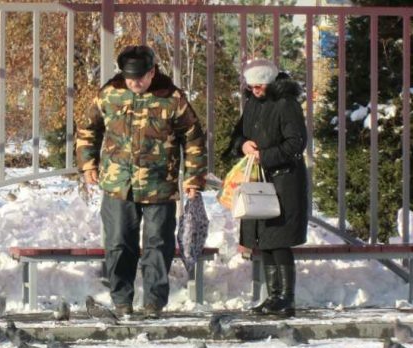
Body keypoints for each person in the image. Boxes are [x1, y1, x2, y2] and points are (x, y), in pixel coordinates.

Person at [76, 45, 207, 319]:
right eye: (130, 78)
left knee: (158, 244)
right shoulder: (109, 94)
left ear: (152, 72)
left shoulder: (172, 98)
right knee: (118, 242)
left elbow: (193, 138)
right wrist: (88, 163)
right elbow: (88, 129)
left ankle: (154, 303)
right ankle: (121, 300)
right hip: (118, 184)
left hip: (160, 185)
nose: (135, 83)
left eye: (140, 77)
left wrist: (193, 178)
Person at [226, 59, 308, 318]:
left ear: (270, 83)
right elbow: (237, 134)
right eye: (251, 86)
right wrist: (243, 145)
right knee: (265, 240)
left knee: (279, 240)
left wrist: (266, 156)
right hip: (260, 180)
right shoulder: (253, 102)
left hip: (284, 181)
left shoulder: (286, 103)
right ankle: (274, 297)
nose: (255, 90)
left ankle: (286, 298)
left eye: (259, 86)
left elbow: (296, 143)